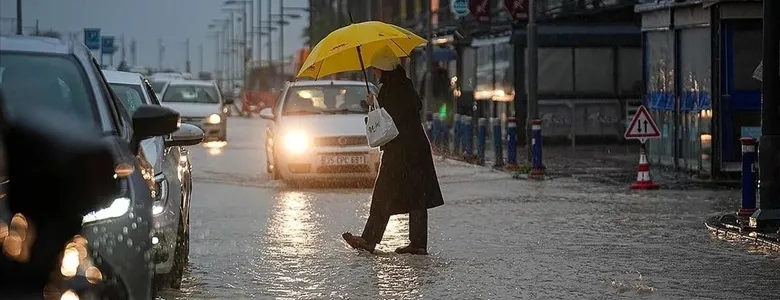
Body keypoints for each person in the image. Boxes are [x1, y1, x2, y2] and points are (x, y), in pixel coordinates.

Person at [342, 48, 445, 255]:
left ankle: (369, 240)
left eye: (375, 68)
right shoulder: (403, 84)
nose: (374, 72)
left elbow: (393, 116)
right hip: (414, 149)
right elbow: (409, 108)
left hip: (401, 151)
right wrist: (378, 100)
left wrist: (376, 102)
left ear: (382, 69)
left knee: (383, 193)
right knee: (417, 195)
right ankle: (418, 244)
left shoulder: (393, 88)